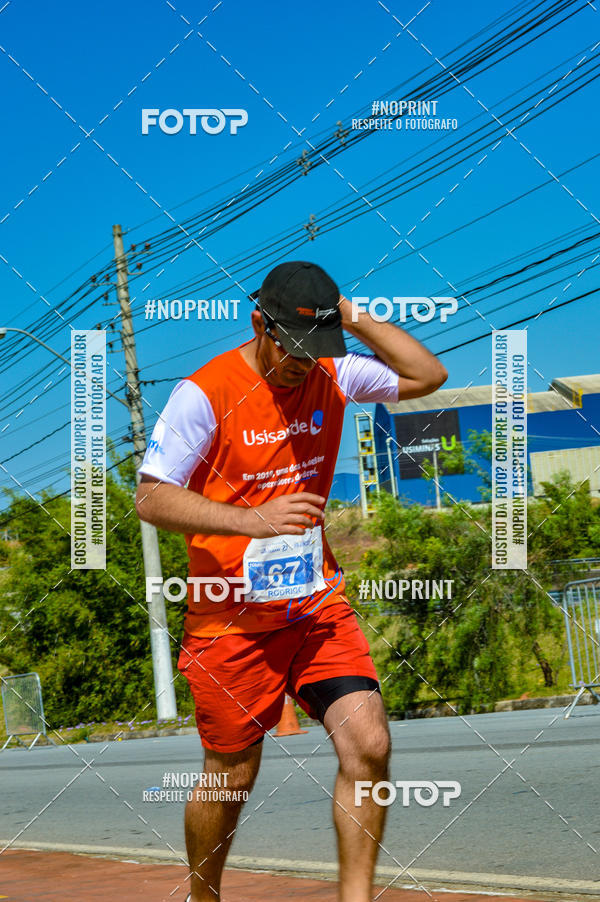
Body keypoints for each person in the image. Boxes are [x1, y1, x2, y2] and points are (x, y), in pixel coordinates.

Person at [135, 260, 447, 902]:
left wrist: (347, 314)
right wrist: (249, 519)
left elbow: (427, 375)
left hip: (314, 607)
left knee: (369, 744)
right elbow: (151, 498)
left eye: (316, 348)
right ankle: (203, 897)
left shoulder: (333, 371)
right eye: (292, 348)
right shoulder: (205, 393)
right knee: (231, 775)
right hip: (231, 621)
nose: (303, 364)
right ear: (260, 324)